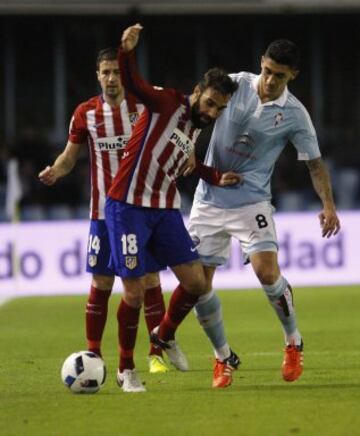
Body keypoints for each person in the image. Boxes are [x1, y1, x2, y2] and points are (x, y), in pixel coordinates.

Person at [186, 39, 341, 386]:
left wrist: (328, 206)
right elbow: (195, 108)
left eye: (280, 76)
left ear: (293, 76)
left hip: (252, 200)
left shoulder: (296, 115)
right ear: (261, 63)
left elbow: (315, 164)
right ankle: (223, 357)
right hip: (209, 199)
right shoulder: (235, 84)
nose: (270, 81)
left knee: (266, 272)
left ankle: (293, 341)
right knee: (198, 285)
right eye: (268, 71)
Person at [105, 23, 241, 392]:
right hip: (127, 207)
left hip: (164, 210)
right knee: (133, 293)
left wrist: (214, 175)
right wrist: (126, 52)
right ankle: (126, 369)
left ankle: (164, 336)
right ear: (196, 93)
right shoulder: (166, 102)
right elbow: (136, 86)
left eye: (219, 109)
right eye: (209, 103)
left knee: (196, 282)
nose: (212, 112)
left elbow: (184, 162)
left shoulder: (196, 125)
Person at [38, 47, 172, 375]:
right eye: (106, 73)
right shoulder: (86, 113)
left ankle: (157, 352)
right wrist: (55, 170)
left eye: (116, 72)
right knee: (101, 282)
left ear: (124, 75)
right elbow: (70, 156)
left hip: (141, 209)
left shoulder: (143, 107)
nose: (111, 78)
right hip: (102, 212)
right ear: (97, 76)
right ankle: (93, 355)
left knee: (150, 278)